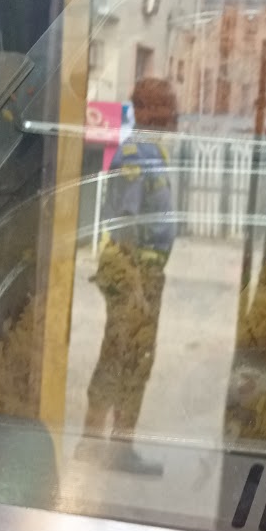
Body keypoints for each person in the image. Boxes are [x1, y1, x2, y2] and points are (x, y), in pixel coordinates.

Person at [79, 78, 177, 476]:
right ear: (144, 110)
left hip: (144, 271)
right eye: (165, 107)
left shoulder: (151, 151)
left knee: (122, 356)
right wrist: (135, 285)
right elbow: (126, 223)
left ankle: (98, 444)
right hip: (136, 271)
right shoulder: (137, 155)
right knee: (129, 358)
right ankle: (109, 447)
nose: (173, 115)